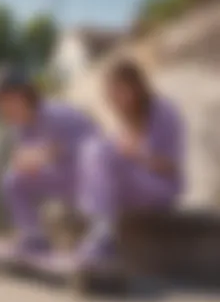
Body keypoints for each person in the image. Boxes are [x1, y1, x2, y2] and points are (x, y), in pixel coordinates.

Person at [77, 60, 185, 268]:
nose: (115, 98)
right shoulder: (126, 117)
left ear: (135, 87)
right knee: (93, 149)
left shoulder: (163, 113)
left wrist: (138, 154)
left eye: (119, 90)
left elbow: (171, 167)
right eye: (111, 92)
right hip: (134, 187)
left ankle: (103, 236)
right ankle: (100, 230)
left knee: (99, 150)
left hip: (161, 189)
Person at [0, 65, 98, 254]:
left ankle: (101, 238)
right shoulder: (21, 128)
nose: (4, 106)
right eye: (0, 101)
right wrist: (27, 162)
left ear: (24, 95)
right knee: (13, 180)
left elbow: (94, 147)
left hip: (91, 178)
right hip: (65, 179)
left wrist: (49, 153)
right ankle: (34, 236)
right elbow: (25, 160)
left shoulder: (56, 113)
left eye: (7, 98)